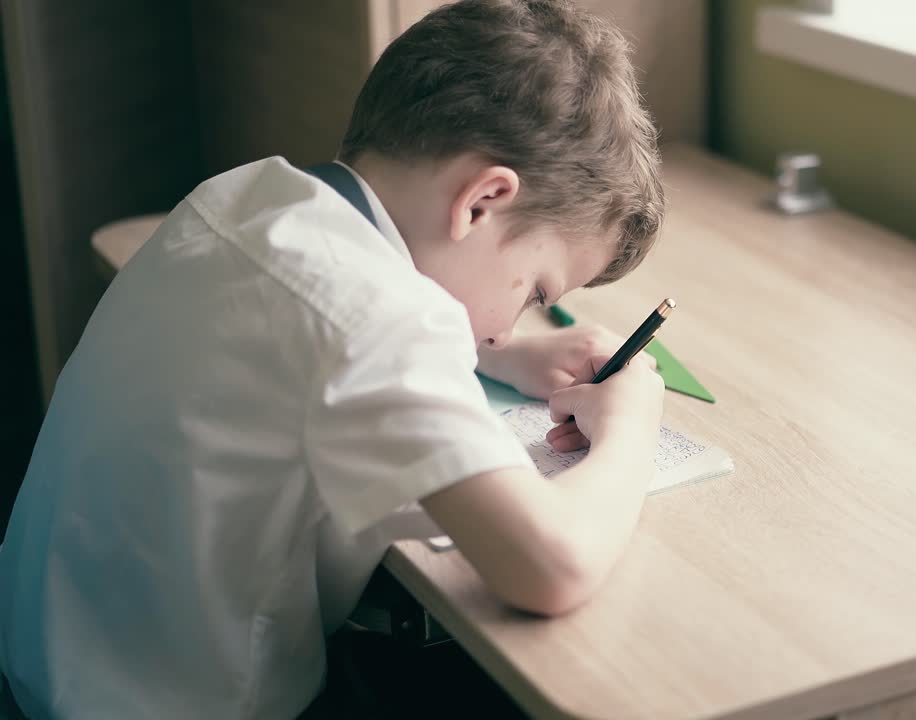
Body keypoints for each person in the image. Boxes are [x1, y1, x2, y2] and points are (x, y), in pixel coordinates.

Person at [0, 0, 665, 716]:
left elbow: (312, 343)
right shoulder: (377, 317)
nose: (511, 324)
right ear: (482, 201)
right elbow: (552, 567)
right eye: (535, 289)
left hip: (47, 663)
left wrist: (492, 357)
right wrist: (632, 422)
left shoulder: (243, 197)